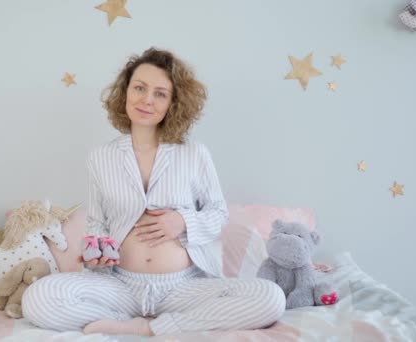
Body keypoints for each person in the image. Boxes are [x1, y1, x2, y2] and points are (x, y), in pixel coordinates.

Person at [22, 48, 285, 336]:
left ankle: (153, 328)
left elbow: (218, 214)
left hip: (184, 288)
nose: (147, 99)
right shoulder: (101, 157)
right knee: (38, 299)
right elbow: (98, 223)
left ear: (173, 103)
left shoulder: (194, 154)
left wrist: (182, 221)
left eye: (160, 93)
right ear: (125, 92)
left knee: (271, 297)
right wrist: (96, 256)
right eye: (139, 88)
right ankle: (124, 318)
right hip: (121, 285)